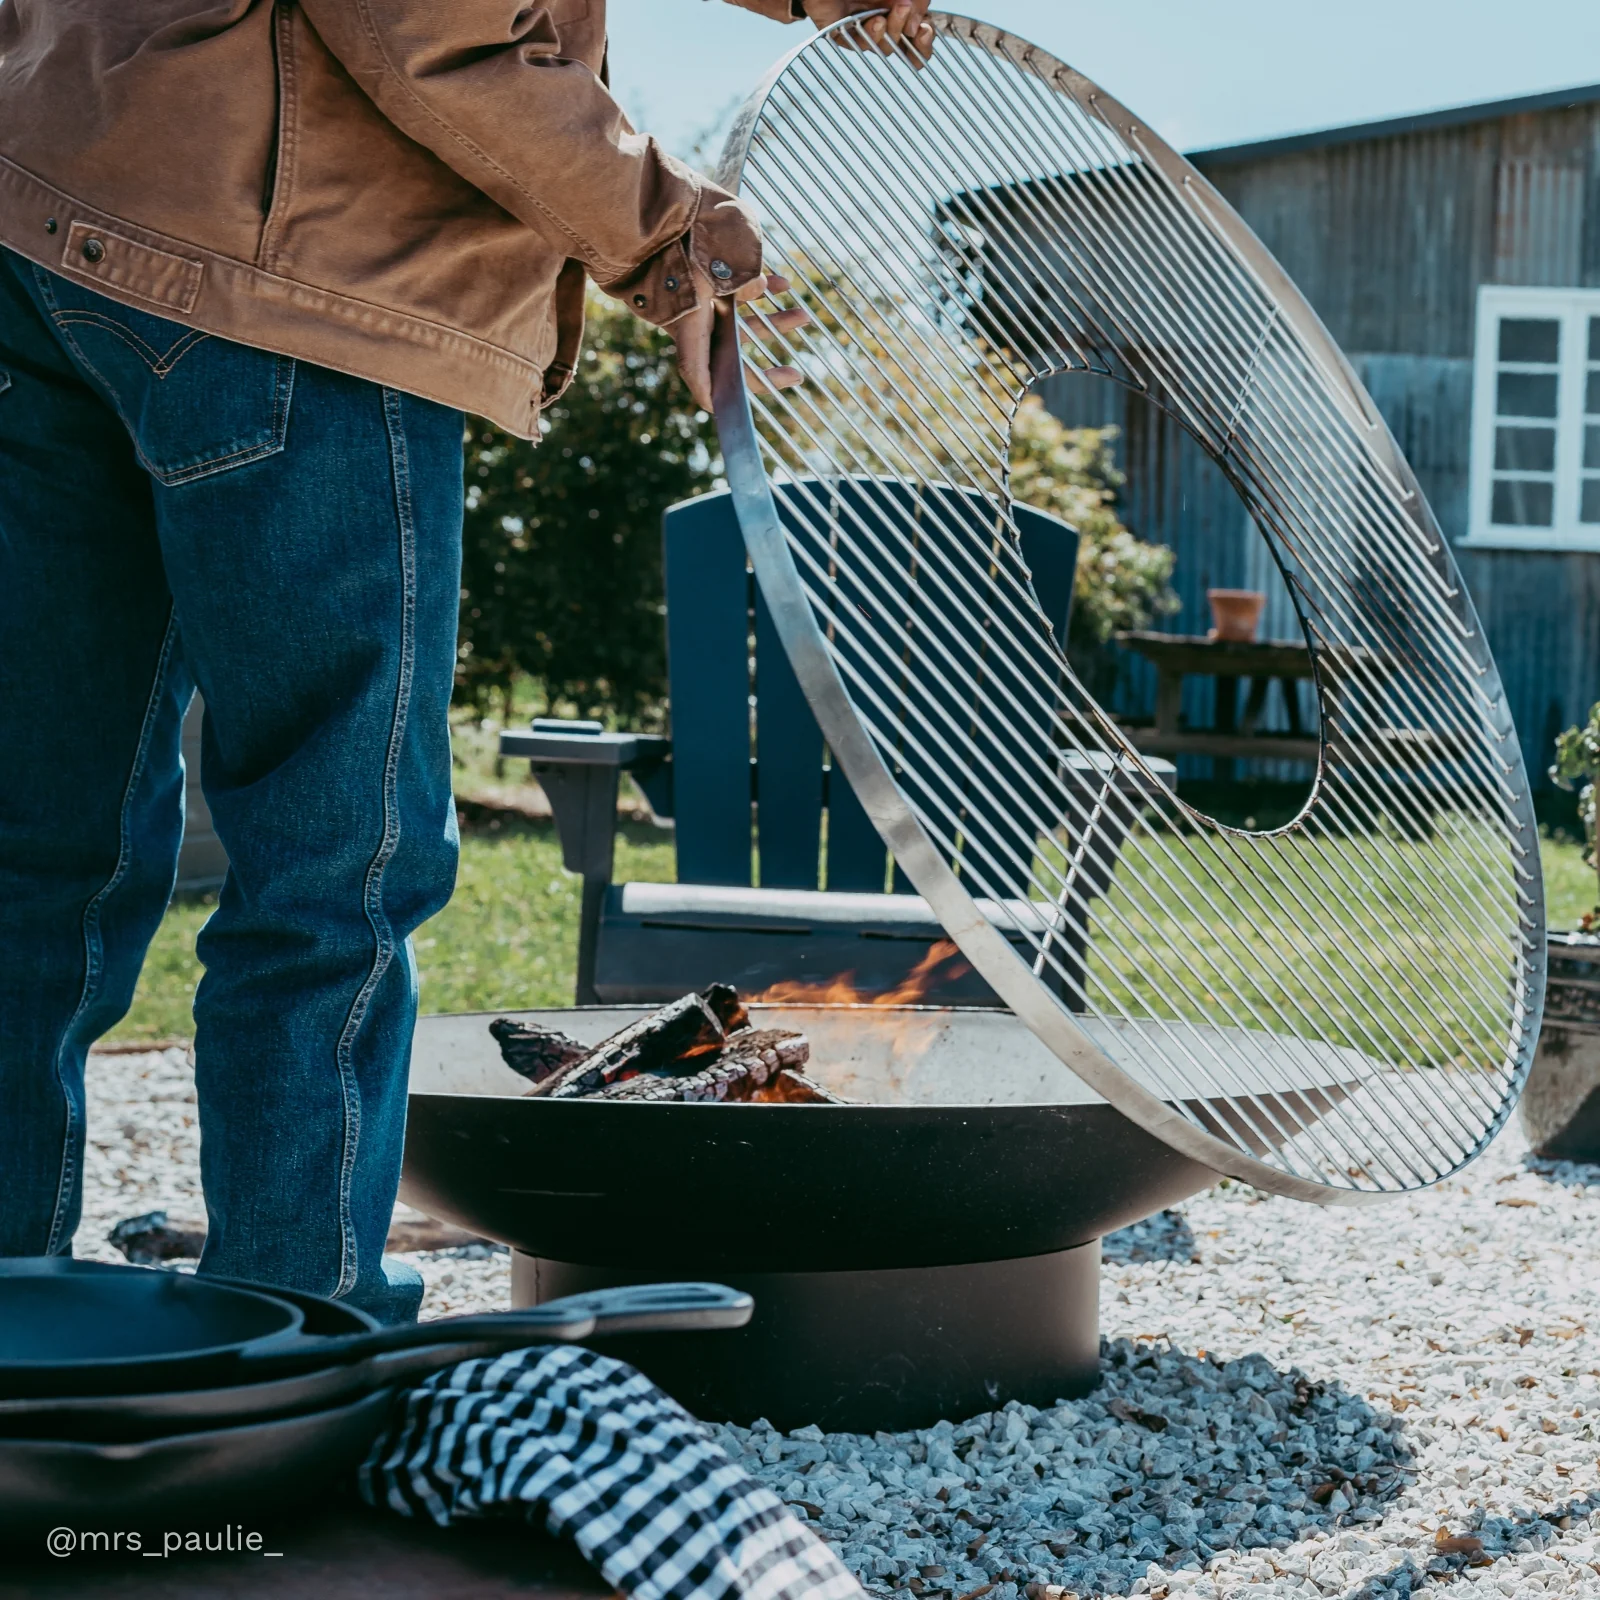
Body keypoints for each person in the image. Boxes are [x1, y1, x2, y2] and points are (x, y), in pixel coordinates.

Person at [0, 0, 932, 1321]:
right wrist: (673, 238)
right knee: (333, 867)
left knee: (36, 855)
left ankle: (18, 1357)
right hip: (300, 272)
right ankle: (292, 1350)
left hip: (51, 213)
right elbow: (432, 31)